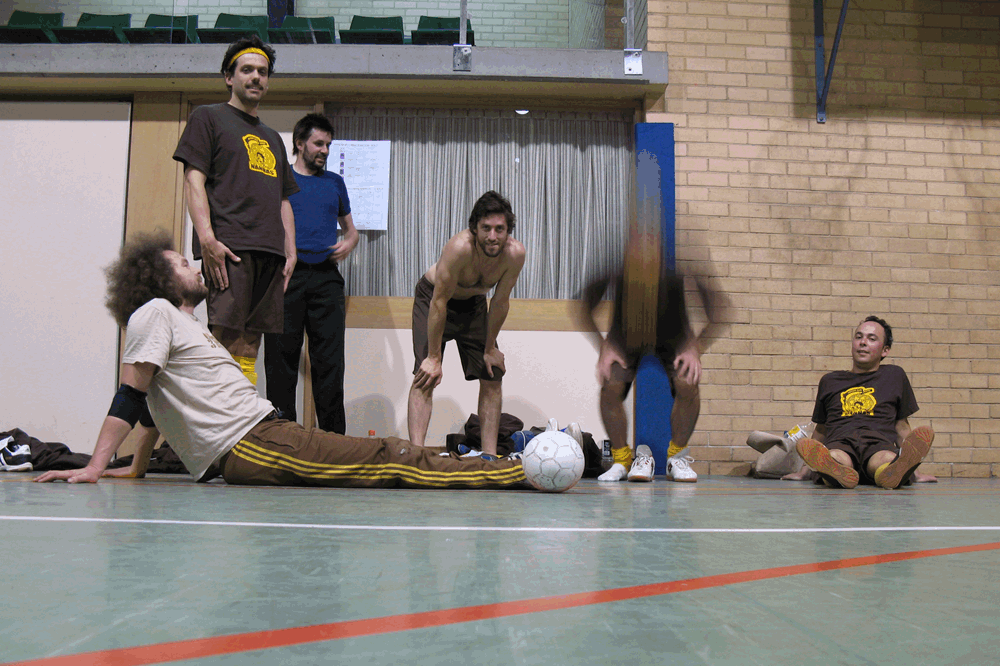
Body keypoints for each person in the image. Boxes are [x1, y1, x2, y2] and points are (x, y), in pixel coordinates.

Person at [34, 235, 527, 490]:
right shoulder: (155, 312)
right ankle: (509, 473)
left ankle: (498, 468)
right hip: (250, 444)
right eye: (183, 264)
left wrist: (137, 468)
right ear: (159, 283)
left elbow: (152, 406)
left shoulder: (183, 323)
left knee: (384, 454)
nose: (196, 265)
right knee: (385, 457)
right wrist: (97, 465)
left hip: (264, 434)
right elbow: (131, 393)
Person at [172, 35, 299, 387]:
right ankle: (217, 413)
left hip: (270, 252)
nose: (256, 77)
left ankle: (242, 410)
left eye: (262, 72)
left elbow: (283, 199)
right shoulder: (208, 117)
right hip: (230, 247)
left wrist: (291, 250)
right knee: (226, 337)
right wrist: (206, 239)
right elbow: (193, 181)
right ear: (229, 77)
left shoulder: (273, 137)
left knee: (251, 342)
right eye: (247, 70)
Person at [407, 191, 526, 459]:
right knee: (425, 375)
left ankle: (489, 457)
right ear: (474, 228)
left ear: (508, 230)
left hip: (473, 306)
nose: (492, 236)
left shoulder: (514, 254)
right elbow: (439, 301)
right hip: (434, 299)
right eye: (486, 228)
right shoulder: (459, 248)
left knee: (493, 373)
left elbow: (500, 302)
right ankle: (416, 457)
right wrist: (434, 357)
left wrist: (489, 348)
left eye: (499, 229)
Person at [584, 264, 724, 483]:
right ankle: (622, 460)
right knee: (611, 383)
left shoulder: (678, 274)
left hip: (672, 335)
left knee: (687, 382)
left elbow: (720, 312)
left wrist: (696, 347)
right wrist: (603, 345)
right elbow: (584, 307)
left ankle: (676, 458)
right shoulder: (616, 270)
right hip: (628, 335)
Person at [264, 114, 359, 434]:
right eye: (319, 143)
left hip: (326, 278)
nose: (325, 150)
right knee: (281, 364)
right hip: (286, 276)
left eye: (328, 144)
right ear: (300, 143)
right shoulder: (281, 179)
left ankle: (333, 442)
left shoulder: (334, 182)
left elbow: (352, 231)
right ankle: (282, 439)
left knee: (330, 365)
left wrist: (349, 242)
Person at [794, 316, 934, 489]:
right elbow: (821, 429)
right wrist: (804, 470)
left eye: (871, 338)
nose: (863, 342)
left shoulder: (894, 376)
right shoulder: (830, 381)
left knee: (886, 459)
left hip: (879, 443)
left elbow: (901, 426)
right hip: (841, 442)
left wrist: (915, 472)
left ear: (885, 350)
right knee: (835, 456)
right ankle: (833, 471)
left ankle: (892, 473)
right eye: (858, 337)